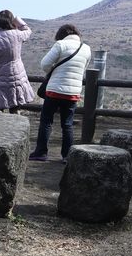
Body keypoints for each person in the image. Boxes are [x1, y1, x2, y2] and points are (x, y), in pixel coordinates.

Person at [29, 24, 92, 162]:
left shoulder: (60, 45)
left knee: (46, 121)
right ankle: (66, 156)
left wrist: (54, 71)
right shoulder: (86, 49)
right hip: (73, 92)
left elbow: (44, 64)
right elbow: (83, 69)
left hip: (55, 90)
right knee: (67, 124)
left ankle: (41, 152)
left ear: (61, 34)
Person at [0, 10, 34, 114]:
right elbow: (27, 30)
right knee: (15, 107)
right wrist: (17, 20)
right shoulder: (17, 35)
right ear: (11, 22)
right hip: (18, 75)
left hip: (0, 76)